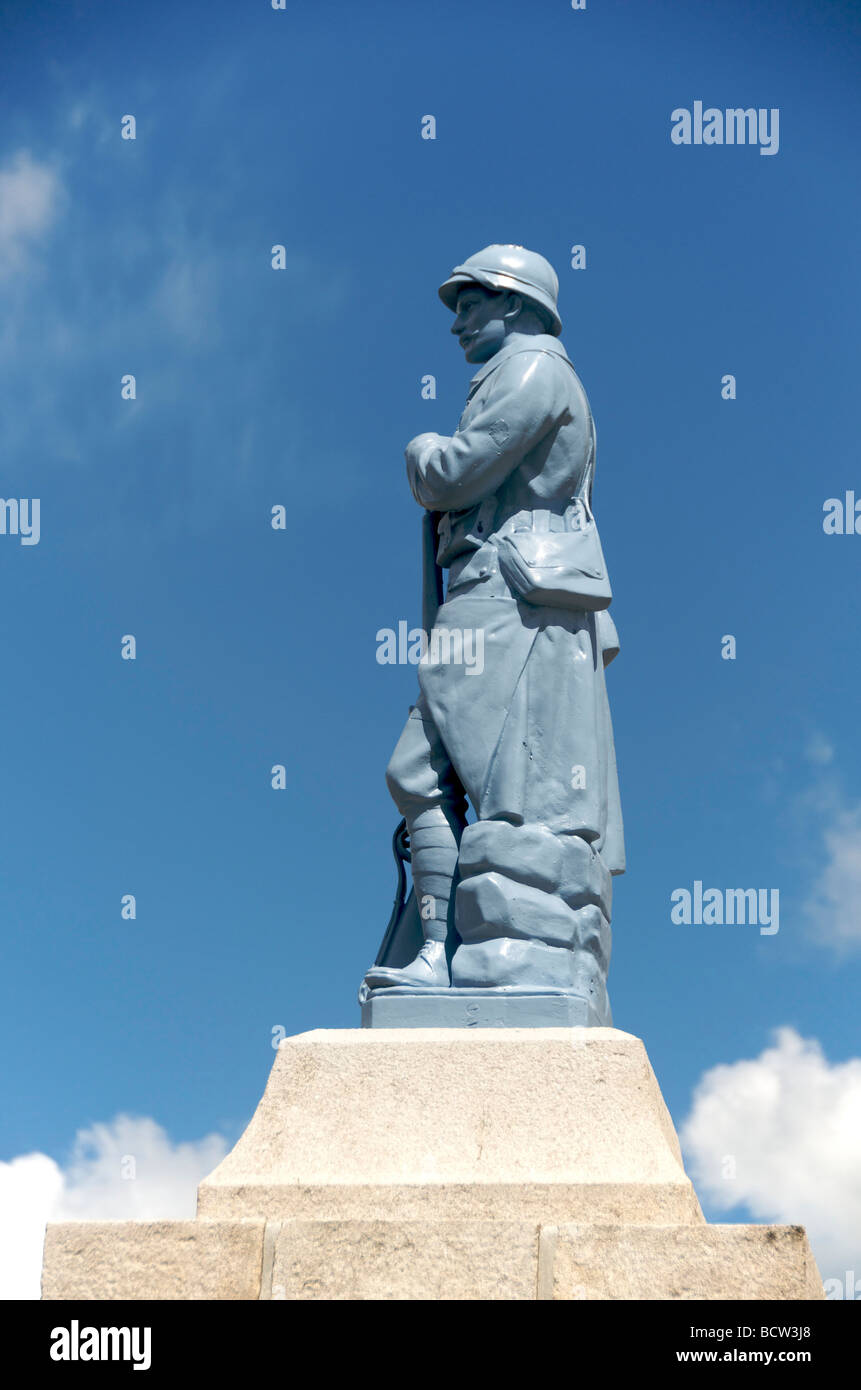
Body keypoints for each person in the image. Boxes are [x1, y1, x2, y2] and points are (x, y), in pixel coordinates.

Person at [363, 245, 624, 1024]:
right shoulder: (518, 372)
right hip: (491, 589)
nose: (456, 321)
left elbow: (456, 472)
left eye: (469, 302)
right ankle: (434, 955)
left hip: (505, 591)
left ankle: (454, 955)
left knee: (482, 779)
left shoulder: (535, 371)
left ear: (514, 303)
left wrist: (420, 455)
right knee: (420, 771)